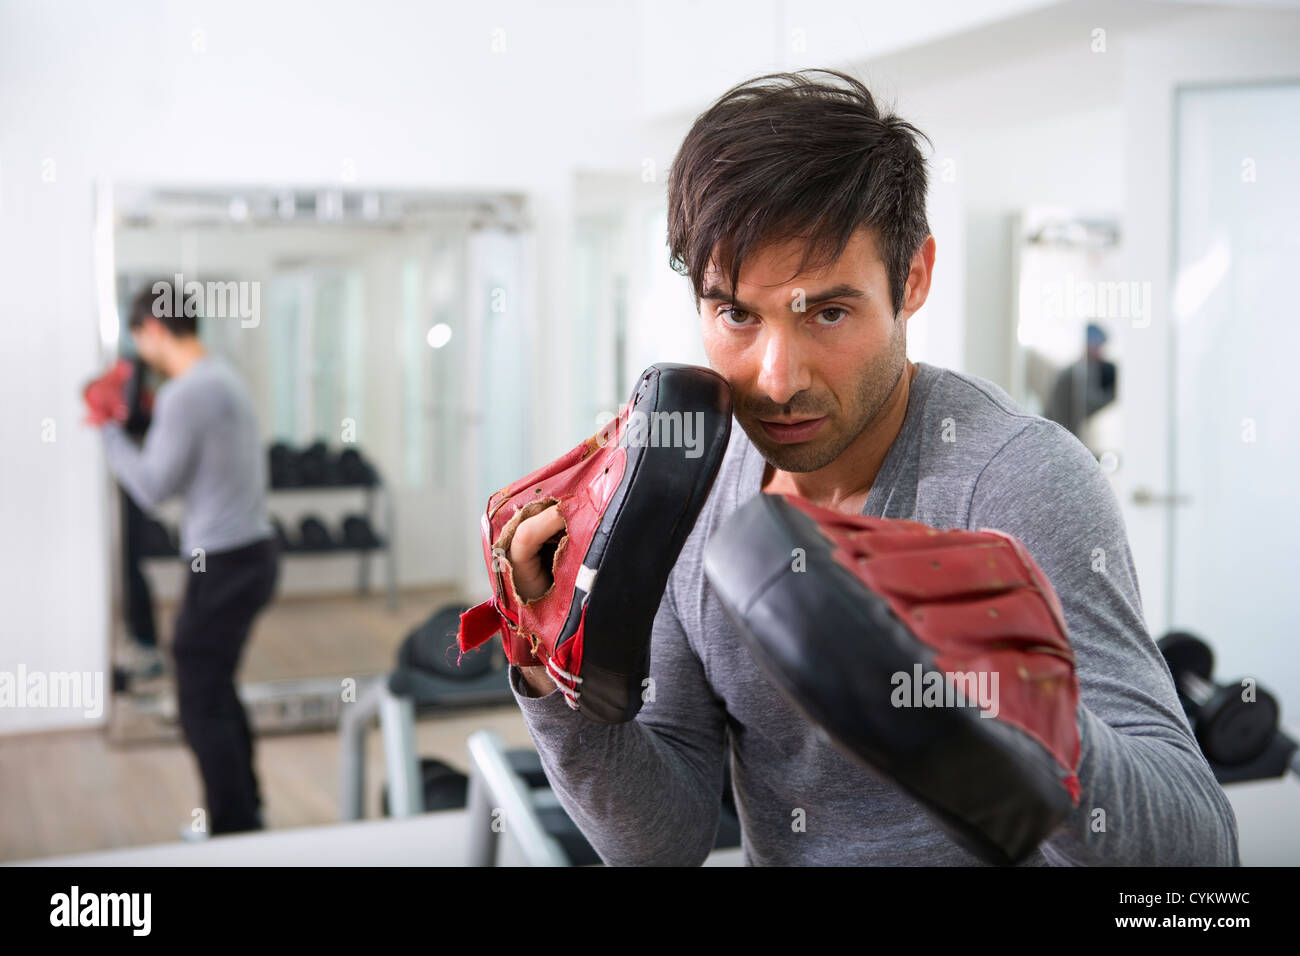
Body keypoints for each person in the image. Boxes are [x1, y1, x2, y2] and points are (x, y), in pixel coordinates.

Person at [501, 70, 1238, 865]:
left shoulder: (1016, 480)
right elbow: (663, 840)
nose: (777, 379)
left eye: (828, 312)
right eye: (736, 314)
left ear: (913, 279)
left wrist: (1021, 716)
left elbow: (1200, 851)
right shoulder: (693, 483)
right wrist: (547, 671)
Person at [91, 282, 279, 837]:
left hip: (224, 563)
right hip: (249, 556)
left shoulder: (186, 393)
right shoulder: (220, 378)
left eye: (138, 338)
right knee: (214, 685)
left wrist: (105, 428)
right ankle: (248, 811)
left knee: (198, 696)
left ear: (150, 330)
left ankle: (233, 828)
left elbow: (151, 487)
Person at [1044, 322, 1118, 440]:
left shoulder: (1083, 369)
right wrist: (1115, 392)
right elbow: (1089, 404)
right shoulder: (1079, 372)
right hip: (1060, 434)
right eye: (1099, 347)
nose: (1101, 352)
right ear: (1090, 346)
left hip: (1063, 434)